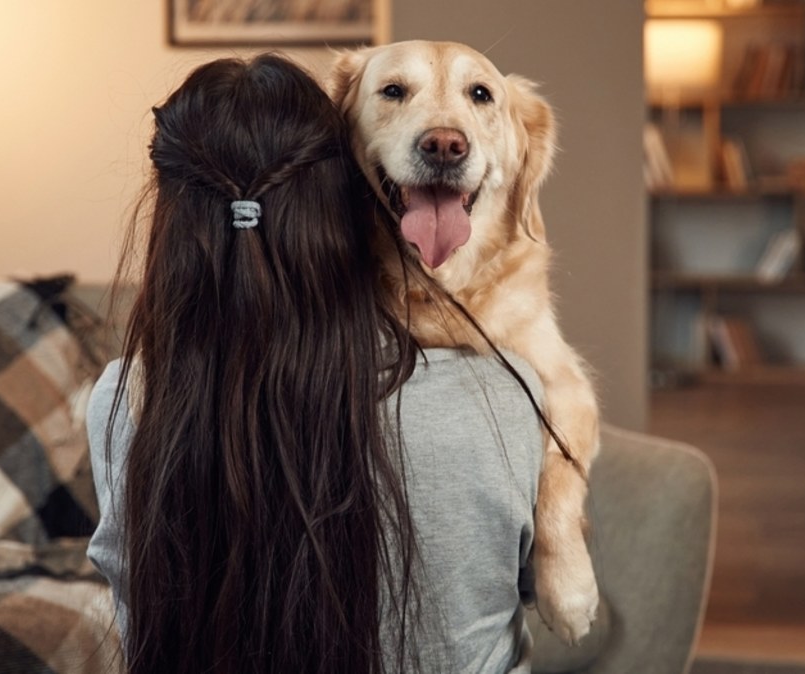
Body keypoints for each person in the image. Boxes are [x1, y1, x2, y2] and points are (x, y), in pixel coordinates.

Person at [86, 53, 548, 674]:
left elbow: (133, 610)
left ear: (169, 213)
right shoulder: (503, 394)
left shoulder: (126, 395)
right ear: (345, 195)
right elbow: (531, 588)